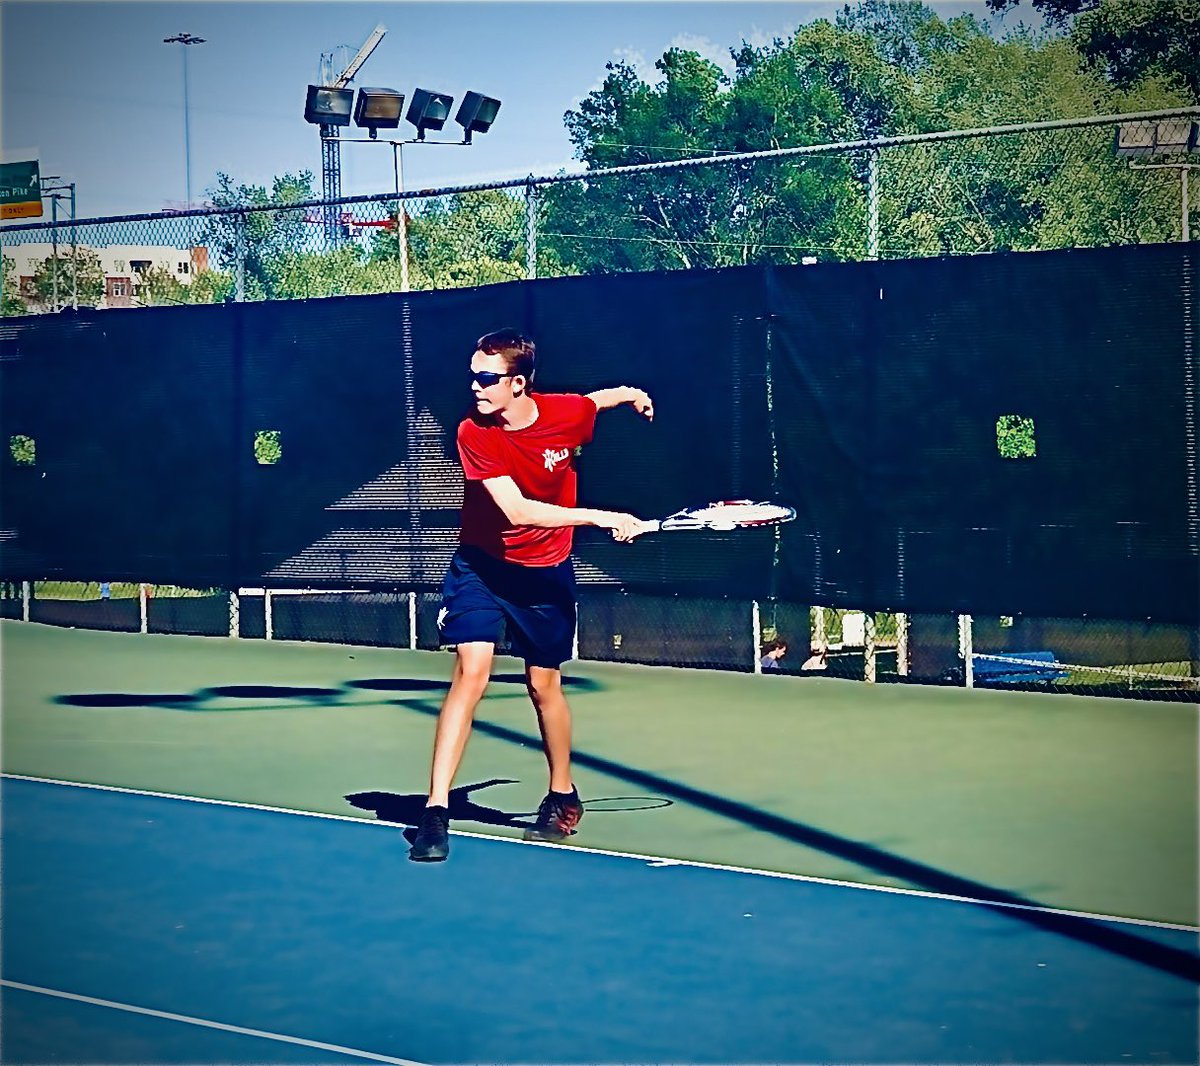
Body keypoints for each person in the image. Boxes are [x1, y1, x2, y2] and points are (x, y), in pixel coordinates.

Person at [409, 327, 654, 862]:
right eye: (472, 376)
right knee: (470, 672)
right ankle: (434, 812)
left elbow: (594, 401)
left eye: (486, 378)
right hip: (482, 566)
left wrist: (632, 394)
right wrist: (602, 516)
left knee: (543, 686)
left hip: (545, 572)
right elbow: (516, 511)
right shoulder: (475, 433)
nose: (475, 386)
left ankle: (562, 791)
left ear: (518, 384)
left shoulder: (565, 415)